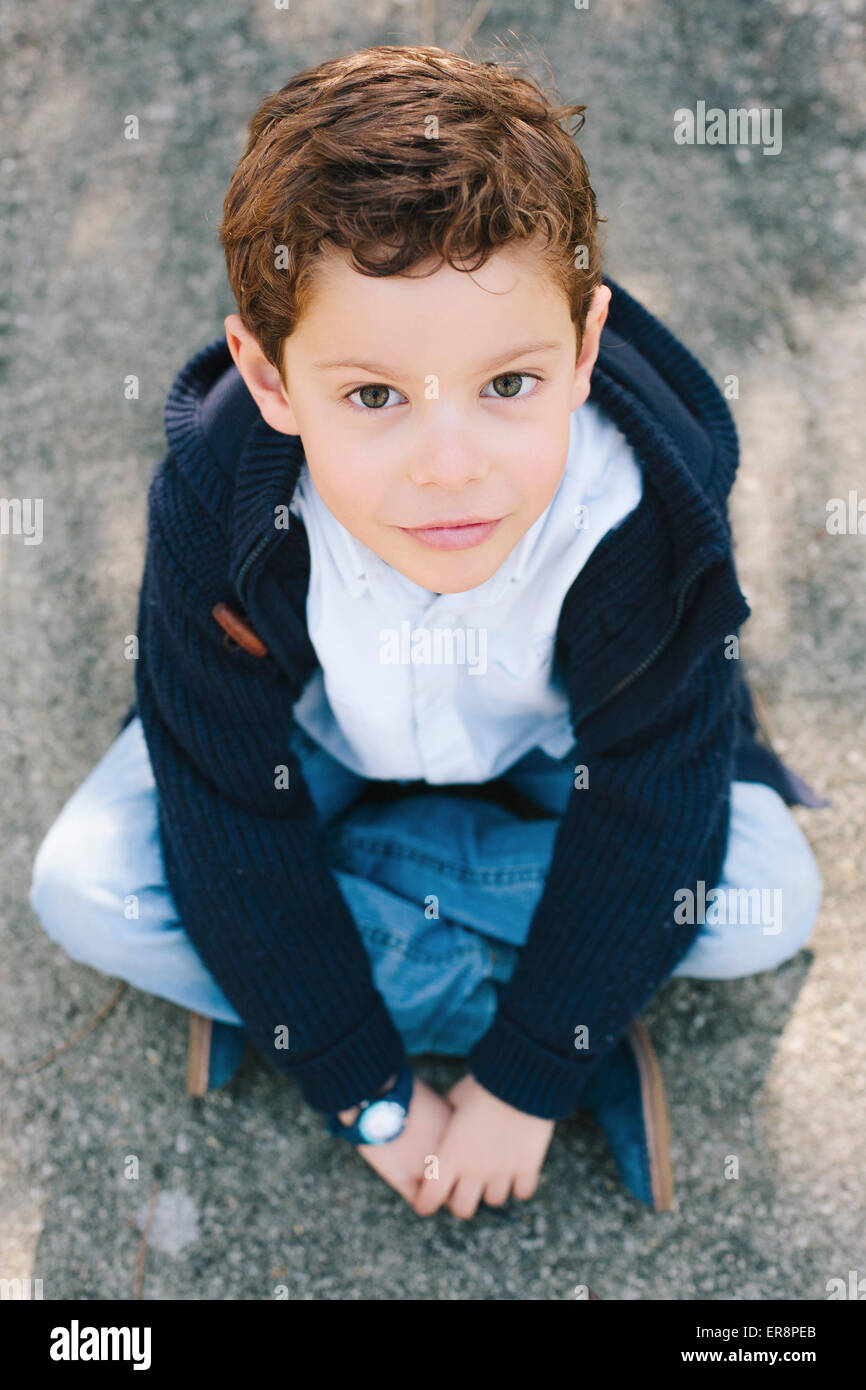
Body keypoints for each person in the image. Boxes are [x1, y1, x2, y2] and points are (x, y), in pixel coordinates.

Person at [29, 45, 825, 1221]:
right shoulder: (217, 491)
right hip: (324, 739)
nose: (450, 466)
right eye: (373, 396)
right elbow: (224, 785)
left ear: (582, 348)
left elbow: (652, 795)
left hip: (560, 752)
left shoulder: (644, 509)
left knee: (766, 898)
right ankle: (518, 962)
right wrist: (369, 1090)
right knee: (83, 888)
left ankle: (301, 936)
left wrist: (524, 1077)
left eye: (507, 384)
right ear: (269, 377)